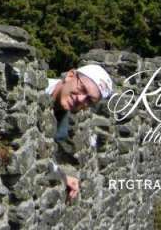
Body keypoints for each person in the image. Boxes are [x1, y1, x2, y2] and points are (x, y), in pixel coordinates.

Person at [45, 64, 113, 202]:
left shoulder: (62, 120)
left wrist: (62, 175)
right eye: (82, 89)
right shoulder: (34, 91)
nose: (80, 99)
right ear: (70, 75)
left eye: (89, 100)